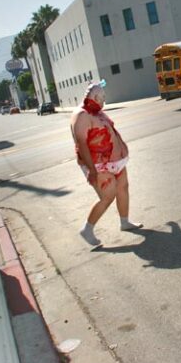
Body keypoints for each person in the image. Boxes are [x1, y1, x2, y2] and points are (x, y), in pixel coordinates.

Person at [71, 81, 142, 246]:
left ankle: (125, 221)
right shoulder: (81, 115)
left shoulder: (97, 110)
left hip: (115, 161)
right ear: (95, 97)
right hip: (98, 165)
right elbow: (81, 144)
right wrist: (92, 170)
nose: (104, 101)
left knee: (123, 187)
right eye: (102, 98)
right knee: (107, 196)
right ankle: (87, 229)